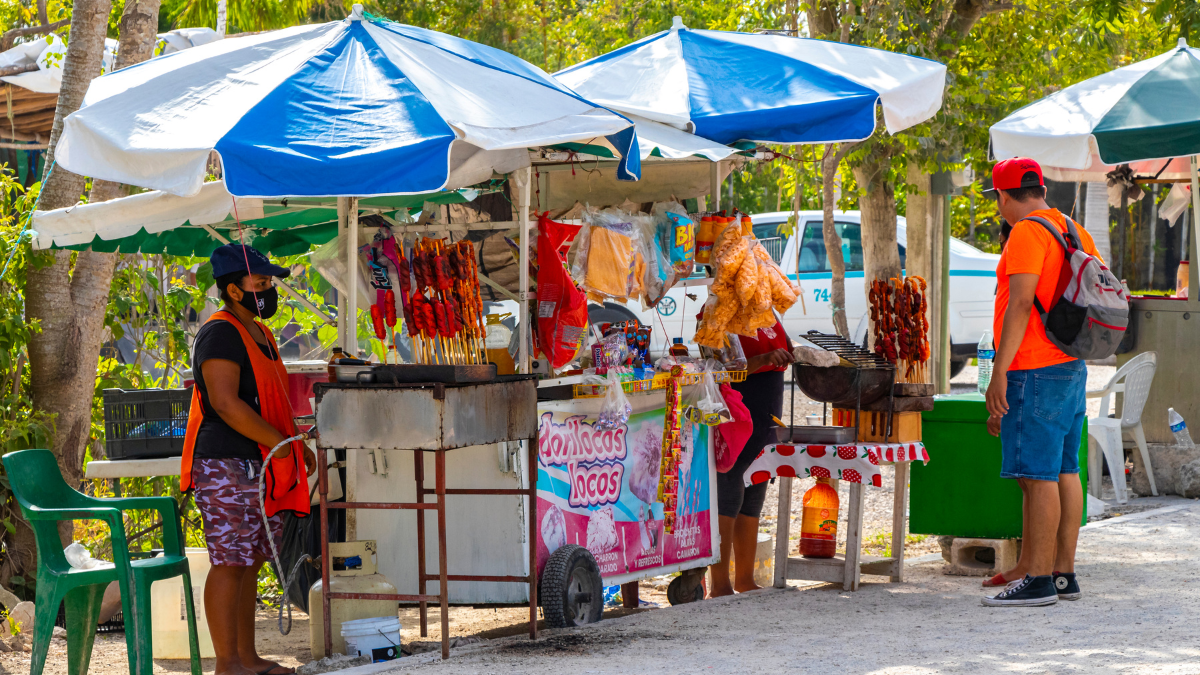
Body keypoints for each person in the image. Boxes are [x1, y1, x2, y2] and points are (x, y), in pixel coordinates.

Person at [181, 244, 316, 675]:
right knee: (230, 561)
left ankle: (247, 658)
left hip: (264, 463)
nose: (268, 290)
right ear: (234, 290)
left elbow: (270, 400)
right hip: (226, 463)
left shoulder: (261, 333)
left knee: (251, 559)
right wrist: (281, 442)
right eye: (260, 283)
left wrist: (294, 446)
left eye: (269, 282)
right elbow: (224, 402)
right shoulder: (219, 332)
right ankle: (227, 664)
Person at [982, 158, 1093, 607]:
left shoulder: (1027, 231)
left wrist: (999, 373)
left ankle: (1039, 581)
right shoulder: (1073, 228)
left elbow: (1022, 303)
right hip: (1070, 363)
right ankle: (1057, 573)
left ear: (1005, 196)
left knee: (1037, 475)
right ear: (1041, 188)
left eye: (998, 201)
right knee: (1064, 469)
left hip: (1034, 366)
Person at [709, 319, 794, 597]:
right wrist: (762, 360)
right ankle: (720, 584)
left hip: (767, 412)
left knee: (756, 488)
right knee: (730, 490)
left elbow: (785, 346)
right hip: (738, 412)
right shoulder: (717, 312)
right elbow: (718, 369)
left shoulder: (765, 310)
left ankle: (745, 579)